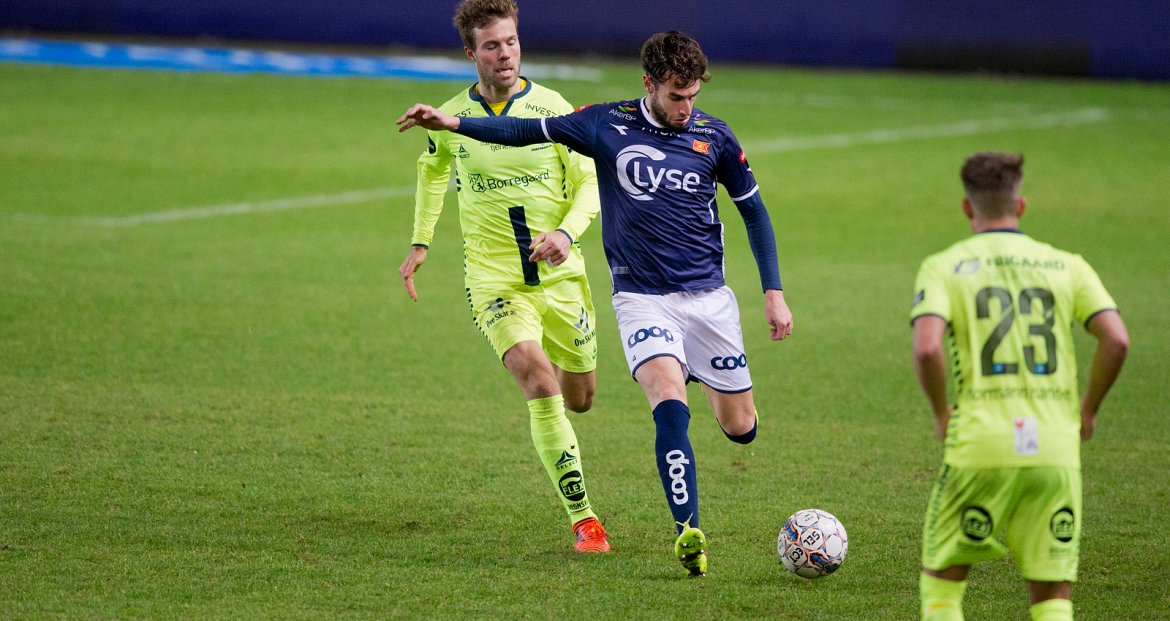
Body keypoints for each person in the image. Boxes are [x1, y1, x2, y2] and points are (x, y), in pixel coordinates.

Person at [398, 30, 793, 577]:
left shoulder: (715, 137)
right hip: (640, 298)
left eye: (693, 96)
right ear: (649, 84)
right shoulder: (604, 122)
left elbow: (755, 213)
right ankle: (687, 533)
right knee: (663, 402)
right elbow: (520, 130)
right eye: (676, 96)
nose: (686, 108)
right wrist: (455, 124)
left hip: (707, 300)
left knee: (740, 429)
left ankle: (697, 372)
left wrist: (772, 292)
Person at [397, 0, 609, 554]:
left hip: (561, 279)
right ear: (471, 53)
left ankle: (564, 412)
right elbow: (432, 169)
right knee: (538, 382)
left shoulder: (552, 109)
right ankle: (584, 520)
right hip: (494, 280)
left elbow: (589, 184)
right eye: (492, 45)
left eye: (511, 42)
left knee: (580, 397)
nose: (505, 54)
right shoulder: (448, 118)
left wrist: (565, 234)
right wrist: (421, 242)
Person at [910, 152, 1129, 620]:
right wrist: (1087, 409)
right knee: (1051, 599)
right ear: (1021, 205)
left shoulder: (944, 265)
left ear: (968, 209)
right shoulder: (1067, 265)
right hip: (1054, 447)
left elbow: (927, 348)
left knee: (944, 590)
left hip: (980, 446)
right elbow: (1117, 338)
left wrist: (940, 412)